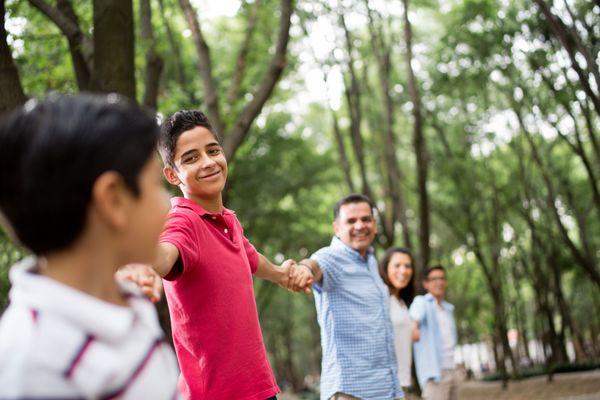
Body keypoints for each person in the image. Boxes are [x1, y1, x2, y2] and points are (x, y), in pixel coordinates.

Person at [120, 110, 313, 400]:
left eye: (212, 150)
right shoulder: (183, 220)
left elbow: (249, 257)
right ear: (172, 174)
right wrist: (142, 262)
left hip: (260, 388)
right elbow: (165, 254)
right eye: (191, 157)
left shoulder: (227, 221)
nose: (208, 162)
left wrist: (282, 275)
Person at [0, 94, 180, 399]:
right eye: (156, 186)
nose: (168, 206)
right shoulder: (33, 366)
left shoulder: (128, 298)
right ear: (114, 200)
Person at [299, 194, 403, 400]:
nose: (360, 225)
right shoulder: (331, 257)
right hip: (351, 391)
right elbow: (314, 265)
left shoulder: (372, 262)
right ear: (337, 228)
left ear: (374, 224)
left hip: (387, 389)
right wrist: (303, 269)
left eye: (366, 219)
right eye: (351, 221)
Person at [409, 265, 458, 400]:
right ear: (426, 283)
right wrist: (414, 327)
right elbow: (414, 319)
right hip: (434, 373)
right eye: (434, 279)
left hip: (452, 369)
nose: (439, 282)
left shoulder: (448, 309)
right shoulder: (422, 302)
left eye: (442, 278)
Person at [379, 247, 416, 391]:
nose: (403, 271)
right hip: (384, 383)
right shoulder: (381, 298)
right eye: (397, 265)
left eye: (407, 266)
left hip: (401, 381)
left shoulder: (401, 302)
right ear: (385, 268)